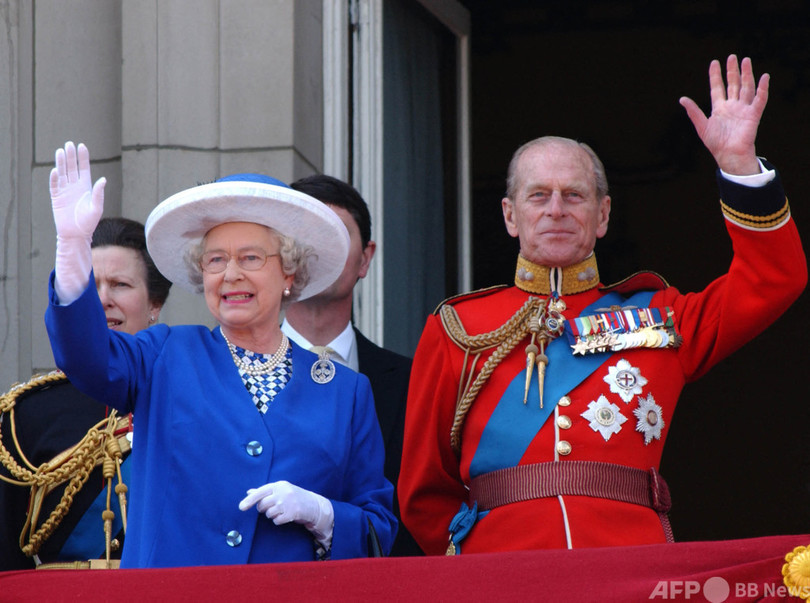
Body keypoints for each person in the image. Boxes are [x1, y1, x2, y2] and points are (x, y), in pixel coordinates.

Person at [398, 55, 807, 555]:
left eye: (574, 195)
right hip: (502, 571)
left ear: (603, 214)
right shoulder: (457, 329)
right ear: (510, 215)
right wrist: (474, 571)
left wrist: (739, 166)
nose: (556, 210)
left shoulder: (663, 316)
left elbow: (773, 279)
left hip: (630, 566)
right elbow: (424, 496)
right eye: (538, 196)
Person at [42, 143, 397, 568]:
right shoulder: (164, 355)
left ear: (289, 271)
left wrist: (324, 515)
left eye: (250, 258)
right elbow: (86, 357)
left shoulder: (345, 391)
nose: (231, 274)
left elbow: (379, 529)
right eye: (215, 260)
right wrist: (72, 252)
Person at [0, 217, 171, 570]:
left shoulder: (186, 398)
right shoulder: (26, 413)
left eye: (120, 285)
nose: (103, 300)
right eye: (90, 286)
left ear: (154, 303)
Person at [283, 174, 420, 556]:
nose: (319, 252)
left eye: (336, 236)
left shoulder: (413, 384)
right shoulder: (230, 372)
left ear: (365, 258)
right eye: (305, 236)